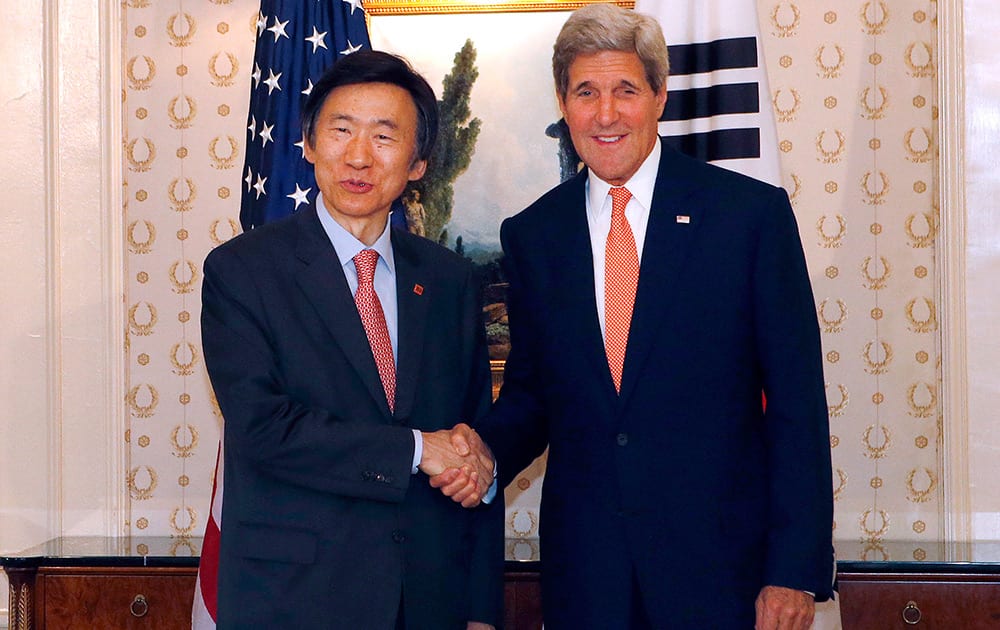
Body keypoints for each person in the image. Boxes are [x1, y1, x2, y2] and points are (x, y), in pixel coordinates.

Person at [434, 4, 834, 629]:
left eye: (626, 90)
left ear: (659, 96)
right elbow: (535, 395)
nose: (607, 113)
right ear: (564, 105)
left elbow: (796, 404)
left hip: (722, 574)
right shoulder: (536, 234)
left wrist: (792, 569)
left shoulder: (747, 217)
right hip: (588, 579)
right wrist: (481, 452)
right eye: (585, 92)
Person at [201, 50, 502, 629]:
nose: (359, 156)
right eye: (341, 130)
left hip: (430, 601)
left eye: (385, 136)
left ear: (418, 164)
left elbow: (473, 446)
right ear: (309, 143)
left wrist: (481, 609)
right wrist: (417, 450)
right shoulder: (243, 272)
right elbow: (264, 427)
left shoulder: (450, 281)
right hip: (294, 599)